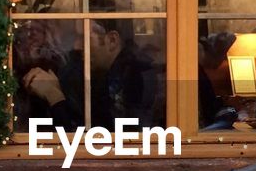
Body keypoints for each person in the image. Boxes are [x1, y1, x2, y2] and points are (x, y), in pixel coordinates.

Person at [21, 20, 163, 130]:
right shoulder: (107, 74)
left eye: (84, 38)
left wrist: (55, 97)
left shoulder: (133, 79)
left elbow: (93, 143)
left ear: (112, 40)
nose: (77, 46)